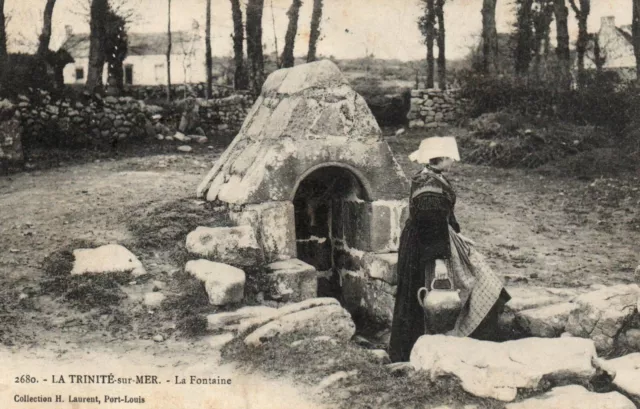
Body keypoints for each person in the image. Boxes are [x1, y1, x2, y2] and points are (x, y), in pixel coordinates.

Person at [389, 136, 511, 363]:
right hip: (427, 248)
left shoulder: (431, 177)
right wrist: (439, 261)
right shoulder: (428, 190)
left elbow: (442, 218)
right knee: (465, 284)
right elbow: (430, 226)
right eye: (450, 158)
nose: (453, 162)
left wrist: (456, 233)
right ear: (441, 159)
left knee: (477, 277)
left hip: (437, 238)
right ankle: (431, 347)